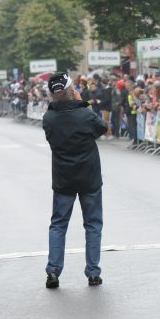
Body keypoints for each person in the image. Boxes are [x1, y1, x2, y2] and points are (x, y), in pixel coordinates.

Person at [42, 72, 108, 289]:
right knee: (93, 225)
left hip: (63, 178)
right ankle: (93, 272)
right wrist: (82, 105)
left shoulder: (49, 118)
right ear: (72, 91)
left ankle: (53, 271)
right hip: (89, 176)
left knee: (58, 225)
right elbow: (102, 128)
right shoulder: (85, 115)